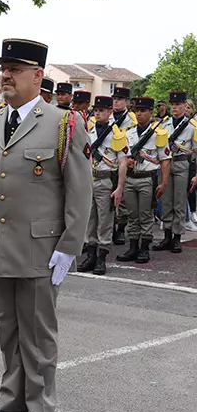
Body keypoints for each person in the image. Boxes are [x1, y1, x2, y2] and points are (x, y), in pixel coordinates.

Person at [0, 38, 91, 412]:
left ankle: (40, 406)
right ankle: (12, 400)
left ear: (38, 76)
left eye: (16, 69)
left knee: (38, 331)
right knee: (8, 327)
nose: (6, 75)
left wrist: (69, 246)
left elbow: (79, 190)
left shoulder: (63, 123)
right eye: (4, 68)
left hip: (42, 247)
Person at [77, 96, 128, 274]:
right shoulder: (87, 131)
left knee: (105, 221)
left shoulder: (117, 134)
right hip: (89, 179)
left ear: (110, 112)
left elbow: (122, 162)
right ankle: (90, 255)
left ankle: (101, 257)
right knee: (89, 219)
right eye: (96, 110)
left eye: (102, 110)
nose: (98, 113)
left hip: (106, 180)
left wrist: (120, 187)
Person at [116, 97, 170, 263]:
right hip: (131, 178)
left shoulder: (158, 134)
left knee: (145, 214)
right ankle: (133, 247)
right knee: (132, 215)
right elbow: (122, 157)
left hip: (147, 178)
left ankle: (144, 247)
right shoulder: (128, 132)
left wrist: (164, 182)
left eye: (143, 111)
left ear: (150, 112)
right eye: (136, 111)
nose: (139, 114)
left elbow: (165, 160)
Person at [154, 91, 194, 253]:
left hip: (182, 164)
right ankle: (167, 235)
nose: (175, 108)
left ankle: (177, 237)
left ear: (185, 106)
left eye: (179, 105)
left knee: (179, 201)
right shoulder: (164, 124)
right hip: (165, 164)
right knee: (166, 201)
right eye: (173, 105)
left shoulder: (192, 126)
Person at [110, 86, 138, 245]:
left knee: (124, 198)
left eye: (119, 99)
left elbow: (135, 140)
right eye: (114, 99)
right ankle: (111, 228)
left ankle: (121, 228)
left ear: (127, 101)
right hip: (108, 160)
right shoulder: (108, 115)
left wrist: (130, 157)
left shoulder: (132, 119)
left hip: (125, 159)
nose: (116, 101)